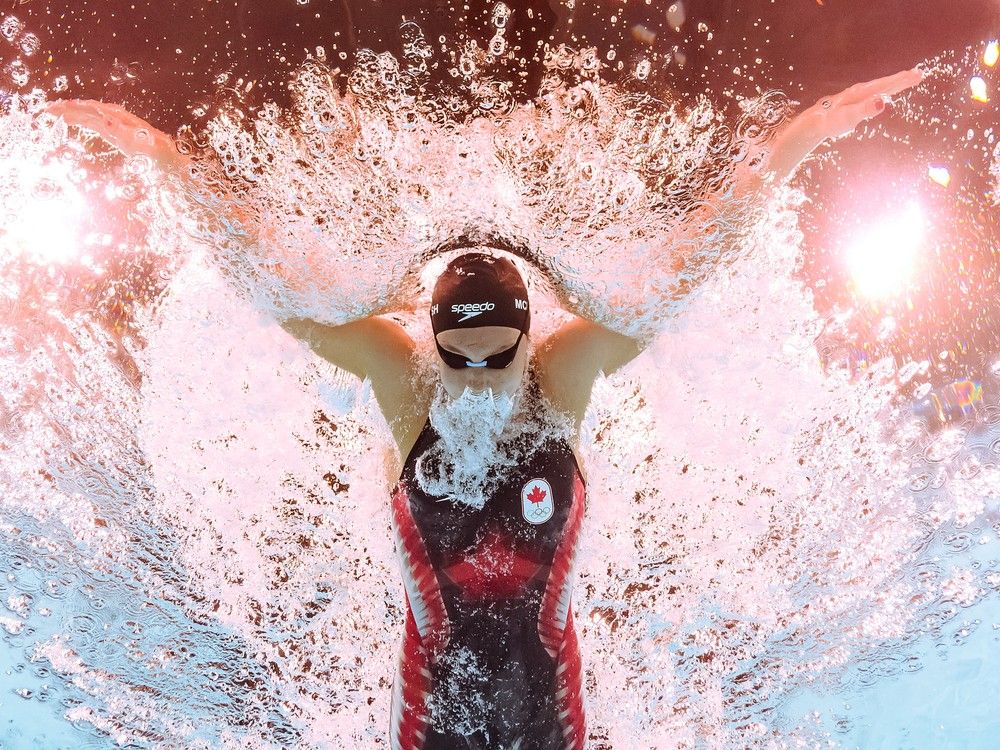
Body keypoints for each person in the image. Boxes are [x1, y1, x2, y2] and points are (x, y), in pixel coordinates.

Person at [46, 65, 922, 749]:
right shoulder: (405, 385)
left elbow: (680, 282)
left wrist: (798, 142)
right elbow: (281, 299)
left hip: (554, 720)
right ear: (430, 339)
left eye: (491, 358)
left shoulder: (562, 380)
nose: (471, 379)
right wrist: (170, 165)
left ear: (526, 335)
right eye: (453, 357)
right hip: (430, 725)